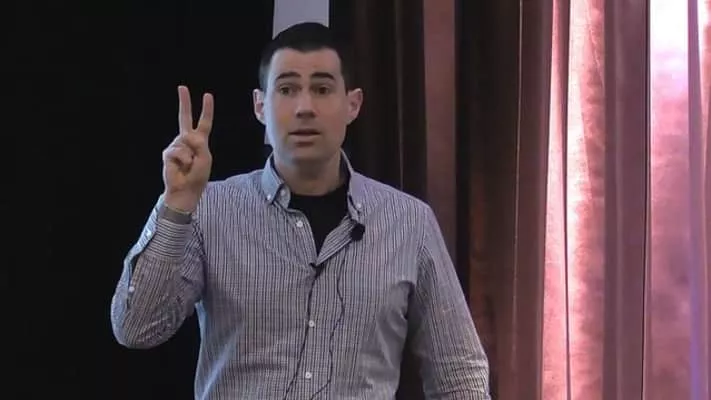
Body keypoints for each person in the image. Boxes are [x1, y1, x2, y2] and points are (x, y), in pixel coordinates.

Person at [110, 22, 490, 399]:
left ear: (353, 104)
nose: (305, 107)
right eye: (287, 89)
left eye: (322, 89)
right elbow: (137, 327)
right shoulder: (210, 209)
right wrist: (176, 205)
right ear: (260, 106)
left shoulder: (410, 223)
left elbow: (459, 374)